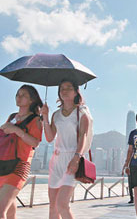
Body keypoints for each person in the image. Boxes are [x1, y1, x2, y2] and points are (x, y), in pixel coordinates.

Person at [42, 80, 93, 219]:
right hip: (56, 160)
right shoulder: (56, 115)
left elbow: (83, 136)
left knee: (62, 205)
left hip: (72, 158)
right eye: (61, 88)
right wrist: (45, 117)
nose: (64, 91)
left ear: (76, 91)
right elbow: (49, 137)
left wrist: (76, 159)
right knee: (53, 207)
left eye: (68, 88)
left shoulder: (82, 113)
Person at [0, 85, 43, 219]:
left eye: (23, 95)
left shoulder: (35, 119)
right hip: (4, 164)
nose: (18, 97)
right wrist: (5, 128)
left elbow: (35, 142)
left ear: (32, 100)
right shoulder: (12, 116)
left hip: (19, 165)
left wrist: (16, 130)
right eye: (17, 94)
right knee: (9, 209)